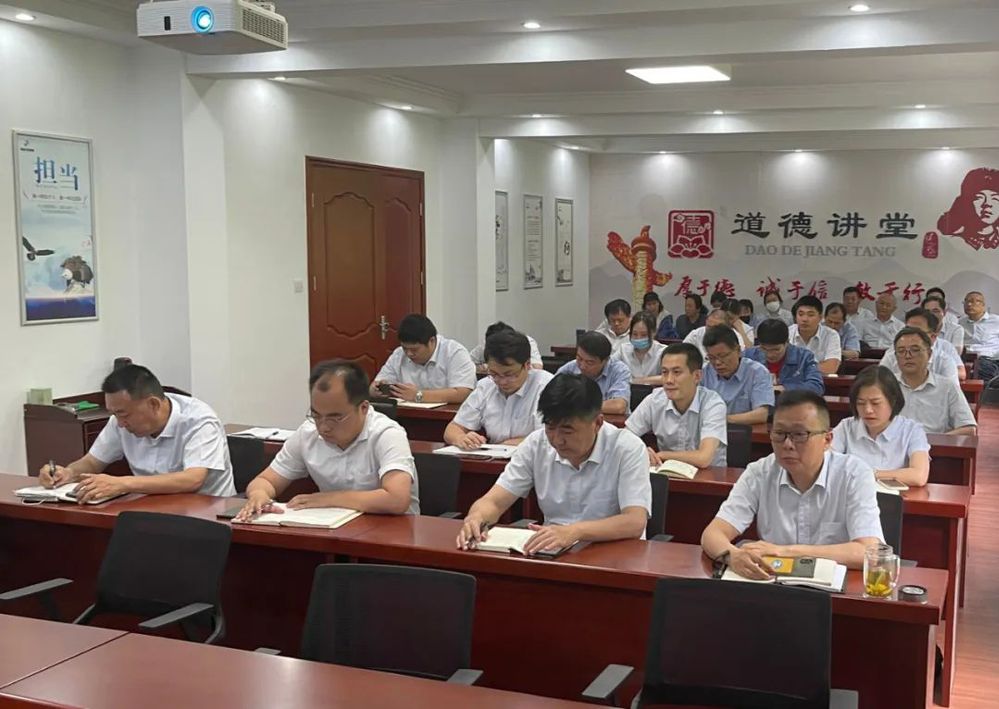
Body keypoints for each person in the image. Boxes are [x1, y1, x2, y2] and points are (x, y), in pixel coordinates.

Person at [456, 374, 651, 554]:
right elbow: (494, 501)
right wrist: (476, 518)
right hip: (553, 552)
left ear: (597, 423)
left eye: (567, 430)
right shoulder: (536, 444)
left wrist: (574, 531)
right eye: (550, 427)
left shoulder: (627, 448)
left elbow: (634, 521)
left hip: (616, 554)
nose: (557, 440)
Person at [700, 390, 884, 576]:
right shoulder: (759, 472)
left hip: (834, 586)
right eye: (779, 433)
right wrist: (731, 555)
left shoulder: (854, 474)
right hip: (772, 582)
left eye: (799, 434)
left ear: (827, 440)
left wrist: (785, 551)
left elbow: (868, 551)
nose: (787, 444)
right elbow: (713, 534)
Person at [235, 360, 418, 520]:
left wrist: (328, 499)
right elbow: (266, 480)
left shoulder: (387, 434)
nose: (323, 427)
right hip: (334, 532)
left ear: (363, 408)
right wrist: (259, 495)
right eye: (316, 415)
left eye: (334, 418)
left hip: (391, 533)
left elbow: (397, 499)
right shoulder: (308, 433)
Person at [39, 365, 235, 502]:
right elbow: (92, 462)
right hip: (151, 509)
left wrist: (123, 483)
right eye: (114, 414)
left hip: (207, 513)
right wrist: (68, 473)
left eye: (124, 414)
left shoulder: (199, 420)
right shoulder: (119, 420)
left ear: (153, 404)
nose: (120, 423)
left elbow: (192, 479)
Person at [444, 330, 554, 449]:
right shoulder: (486, 386)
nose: (502, 381)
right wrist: (461, 438)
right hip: (494, 455)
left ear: (527, 365)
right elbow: (453, 428)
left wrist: (504, 446)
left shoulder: (546, 386)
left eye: (509, 374)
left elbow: (548, 438)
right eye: (494, 374)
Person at [626, 343, 728, 468]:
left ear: (697, 376)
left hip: (710, 477)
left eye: (676, 372)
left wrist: (662, 455)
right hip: (668, 474)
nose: (669, 380)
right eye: (664, 372)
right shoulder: (655, 400)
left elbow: (703, 458)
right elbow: (624, 438)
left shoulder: (713, 404)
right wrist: (642, 451)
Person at [831, 366, 930, 487]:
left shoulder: (912, 431)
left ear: (893, 400)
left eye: (875, 403)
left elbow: (919, 475)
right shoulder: (846, 427)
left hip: (894, 498)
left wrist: (868, 474)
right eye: (861, 403)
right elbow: (825, 464)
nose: (868, 410)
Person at [372, 314, 476, 404]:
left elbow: (463, 393)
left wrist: (418, 395)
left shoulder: (454, 352)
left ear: (431, 341)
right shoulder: (399, 354)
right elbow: (374, 386)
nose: (409, 354)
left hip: (448, 415)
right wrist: (376, 390)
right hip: (405, 414)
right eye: (405, 348)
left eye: (414, 349)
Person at [893, 327, 977, 435]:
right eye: (901, 351)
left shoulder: (947, 387)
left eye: (915, 350)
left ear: (929, 354)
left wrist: (931, 442)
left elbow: (969, 428)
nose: (907, 356)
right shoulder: (884, 385)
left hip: (934, 444)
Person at [700, 326, 774, 425]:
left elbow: (761, 414)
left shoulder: (757, 372)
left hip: (744, 432)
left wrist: (721, 420)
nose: (717, 363)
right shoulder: (703, 373)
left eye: (723, 356)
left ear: (738, 351)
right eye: (711, 358)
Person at [879, 308, 964, 382]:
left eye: (918, 332)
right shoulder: (892, 354)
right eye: (908, 330)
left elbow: (951, 393)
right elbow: (879, 384)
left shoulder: (945, 361)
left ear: (933, 337)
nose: (911, 335)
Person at [555, 331, 631, 414]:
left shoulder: (619, 370)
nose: (582, 366)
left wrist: (578, 407)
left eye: (589, 362)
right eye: (579, 358)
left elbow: (618, 406)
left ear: (605, 361)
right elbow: (552, 397)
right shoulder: (569, 369)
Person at [744, 319, 824, 394]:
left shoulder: (804, 357)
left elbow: (816, 387)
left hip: (791, 402)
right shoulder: (748, 356)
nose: (770, 355)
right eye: (764, 349)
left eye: (776, 349)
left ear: (787, 343)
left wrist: (785, 388)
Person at [789, 295, 841, 375]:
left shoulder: (831, 335)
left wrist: (798, 368)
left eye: (810, 315)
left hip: (820, 381)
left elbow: (831, 367)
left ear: (820, 317)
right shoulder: (787, 333)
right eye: (801, 314)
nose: (804, 319)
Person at [614, 311, 667, 385]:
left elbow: (669, 377)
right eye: (635, 334)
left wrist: (637, 381)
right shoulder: (623, 349)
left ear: (654, 333)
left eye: (644, 335)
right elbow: (609, 370)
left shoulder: (663, 352)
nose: (638, 338)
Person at [959, 291, 999, 385]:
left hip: (990, 360)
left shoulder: (996, 321)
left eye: (974, 301)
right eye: (967, 301)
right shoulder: (960, 323)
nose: (969, 304)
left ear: (983, 305)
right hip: (965, 359)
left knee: (983, 369)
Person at [468, 321, 543, 371]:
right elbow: (467, 364)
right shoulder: (486, 344)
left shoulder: (526, 342)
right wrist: (483, 367)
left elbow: (537, 368)